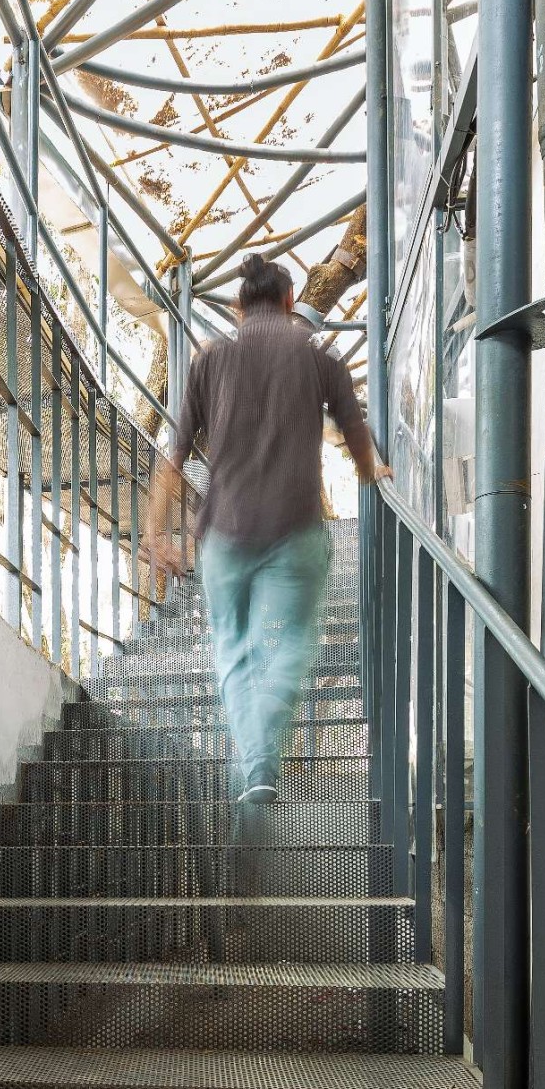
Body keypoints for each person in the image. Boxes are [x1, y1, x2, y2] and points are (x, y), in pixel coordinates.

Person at [149, 253, 389, 806]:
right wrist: (372, 471)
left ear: (236, 308)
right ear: (288, 303)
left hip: (224, 537)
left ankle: (252, 772)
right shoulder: (318, 358)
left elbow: (174, 455)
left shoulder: (209, 362)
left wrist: (154, 534)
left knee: (234, 654)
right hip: (294, 530)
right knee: (288, 648)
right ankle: (260, 761)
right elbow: (354, 430)